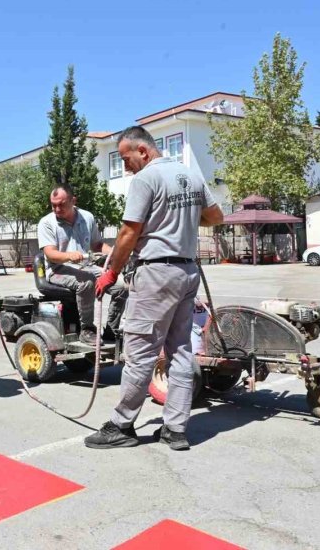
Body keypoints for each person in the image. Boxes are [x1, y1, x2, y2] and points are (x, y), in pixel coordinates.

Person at [85, 126, 224, 451]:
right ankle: (175, 429)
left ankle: (122, 424)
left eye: (125, 158)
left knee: (140, 353)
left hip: (156, 273)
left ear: (143, 151)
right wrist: (185, 218)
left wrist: (111, 272)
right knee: (179, 351)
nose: (124, 166)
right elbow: (215, 217)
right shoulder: (191, 176)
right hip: (187, 272)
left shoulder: (146, 180)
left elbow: (128, 234)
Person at [37, 184, 125, 345]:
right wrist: (69, 256)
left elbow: (97, 245)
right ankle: (87, 330)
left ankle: (111, 331)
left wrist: (114, 254)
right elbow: (50, 254)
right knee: (86, 282)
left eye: (61, 205)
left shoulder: (87, 217)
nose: (57, 209)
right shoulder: (46, 223)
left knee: (121, 287)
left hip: (86, 266)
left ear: (73, 200)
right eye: (53, 205)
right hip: (58, 269)